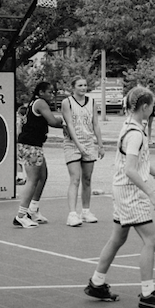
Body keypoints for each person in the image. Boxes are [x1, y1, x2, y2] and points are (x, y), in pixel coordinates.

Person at [84, 86, 155, 308]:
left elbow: (137, 162)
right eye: (152, 106)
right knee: (151, 240)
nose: (153, 109)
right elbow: (131, 170)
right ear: (144, 107)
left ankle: (97, 282)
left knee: (118, 238)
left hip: (122, 189)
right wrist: (151, 193)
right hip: (130, 192)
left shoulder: (131, 126)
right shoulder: (135, 134)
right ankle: (147, 294)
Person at [13, 81, 65, 228]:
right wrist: (69, 120)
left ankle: (33, 209)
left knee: (43, 176)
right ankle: (21, 215)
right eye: (49, 91)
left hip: (34, 145)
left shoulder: (36, 103)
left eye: (53, 92)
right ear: (41, 92)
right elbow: (53, 121)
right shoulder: (40, 103)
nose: (51, 94)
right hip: (30, 145)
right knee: (33, 179)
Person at [61, 77, 105, 227]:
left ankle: (85, 211)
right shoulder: (67, 102)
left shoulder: (92, 102)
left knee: (87, 179)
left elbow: (96, 124)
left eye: (85, 85)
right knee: (75, 178)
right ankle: (72, 214)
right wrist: (78, 145)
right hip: (72, 143)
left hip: (88, 142)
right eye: (80, 85)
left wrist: (100, 144)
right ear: (73, 87)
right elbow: (70, 125)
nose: (83, 87)